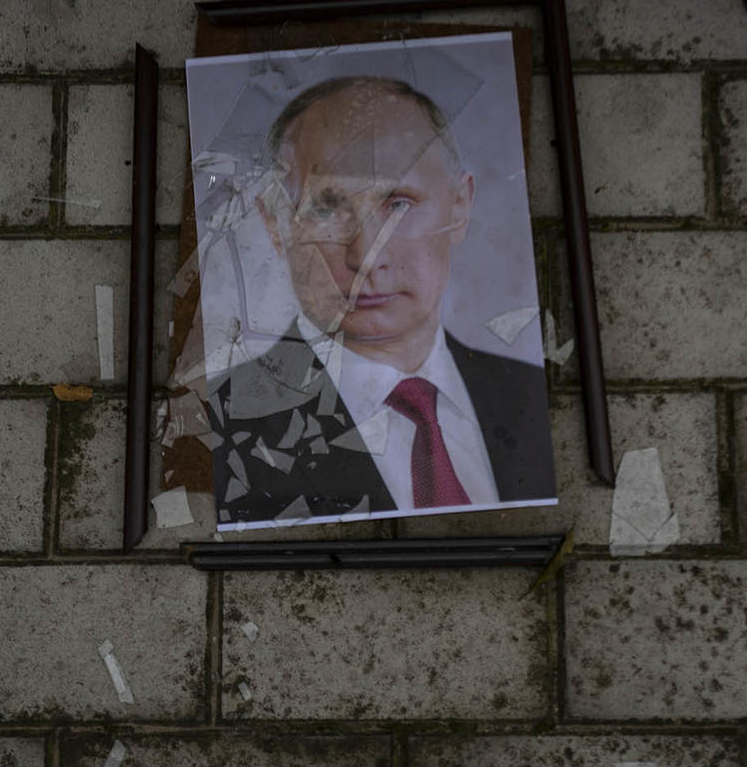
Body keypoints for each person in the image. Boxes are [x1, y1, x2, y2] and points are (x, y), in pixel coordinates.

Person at [206, 74, 556, 525]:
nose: (367, 257)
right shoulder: (221, 430)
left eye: (399, 204)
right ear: (276, 225)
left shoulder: (534, 398)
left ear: (460, 207)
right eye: (326, 209)